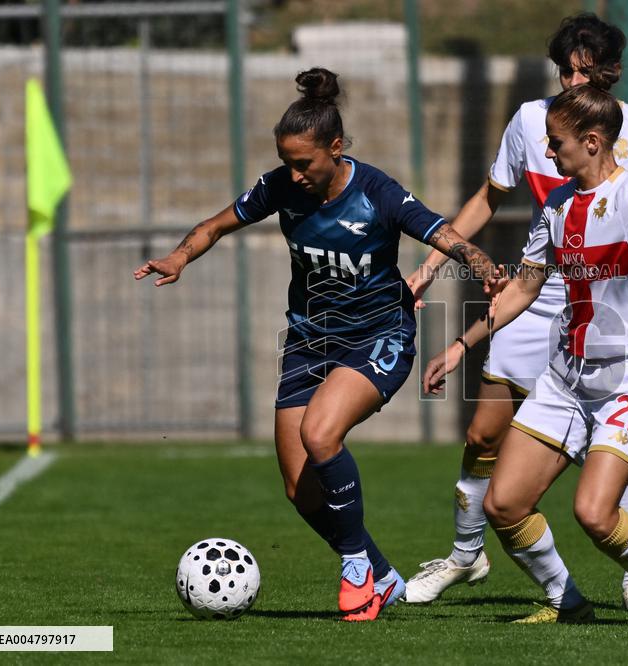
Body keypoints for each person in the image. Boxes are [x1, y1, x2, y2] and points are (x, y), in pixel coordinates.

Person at [134, 68, 500, 622]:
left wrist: (478, 261)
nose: (295, 174)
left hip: (379, 335)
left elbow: (438, 230)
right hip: (309, 341)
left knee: (321, 433)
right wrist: (180, 256)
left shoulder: (376, 192)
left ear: (336, 148)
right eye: (287, 162)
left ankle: (354, 568)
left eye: (304, 162)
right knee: (299, 488)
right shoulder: (281, 187)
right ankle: (382, 576)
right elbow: (215, 224)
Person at [403, 13, 628, 613]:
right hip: (544, 288)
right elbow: (489, 199)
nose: (572, 82)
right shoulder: (532, 124)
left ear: (608, 74)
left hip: (618, 305)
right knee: (484, 433)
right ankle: (470, 557)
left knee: (623, 456)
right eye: (564, 71)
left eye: (584, 71)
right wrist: (432, 269)